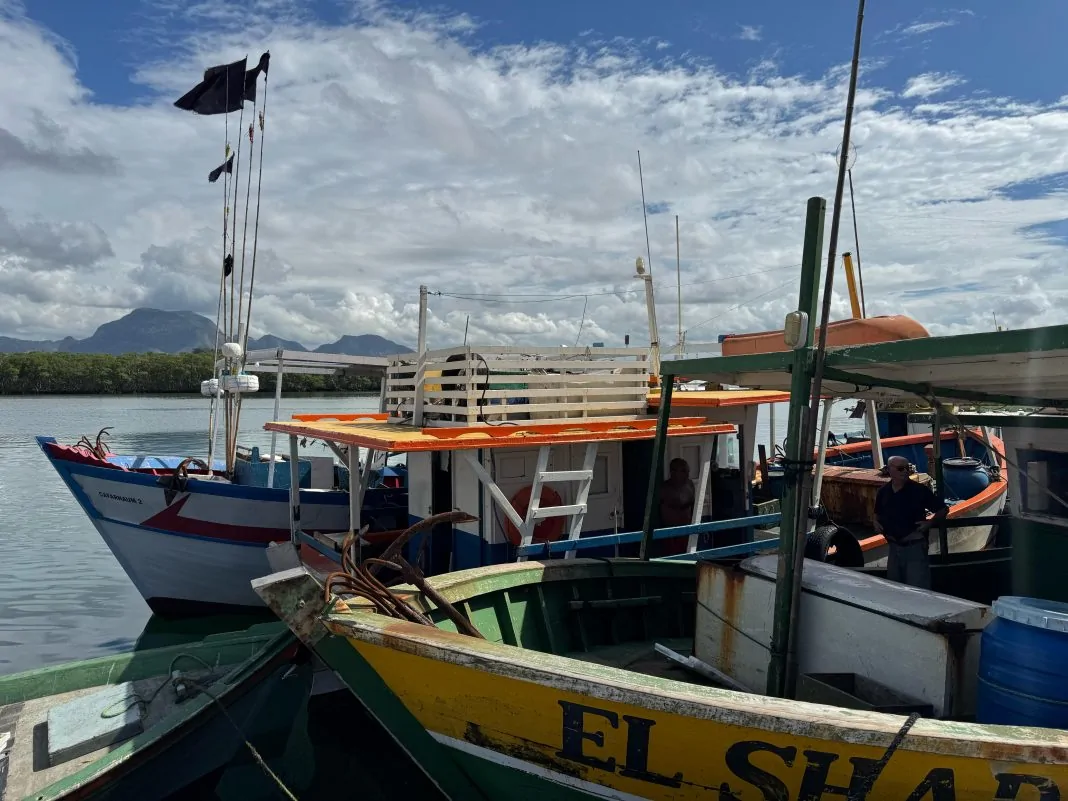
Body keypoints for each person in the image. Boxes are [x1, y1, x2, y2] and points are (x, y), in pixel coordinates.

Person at [873, 454, 949, 589]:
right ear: (890, 470)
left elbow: (942, 509)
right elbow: (877, 513)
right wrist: (876, 522)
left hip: (914, 547)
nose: (905, 472)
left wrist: (930, 523)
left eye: (907, 468)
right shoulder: (883, 492)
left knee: (918, 589)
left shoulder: (919, 490)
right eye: (901, 469)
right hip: (893, 548)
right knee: (895, 589)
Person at [657, 458, 696, 555]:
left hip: (687, 532)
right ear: (673, 472)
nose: (687, 474)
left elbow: (693, 506)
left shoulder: (690, 485)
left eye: (687, 471)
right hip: (671, 535)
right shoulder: (664, 489)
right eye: (683, 471)